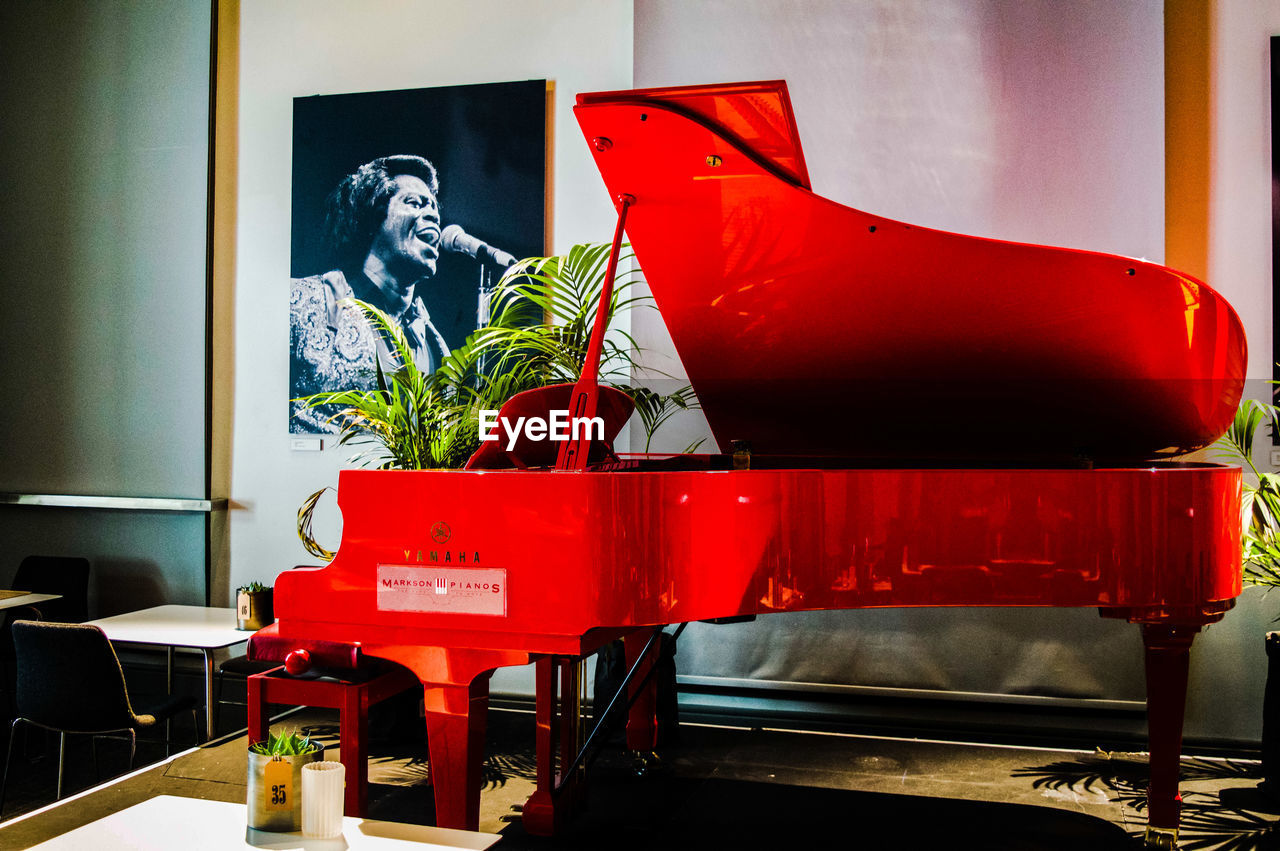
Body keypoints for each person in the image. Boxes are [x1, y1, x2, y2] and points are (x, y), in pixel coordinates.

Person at [290, 155, 452, 433]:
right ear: (372, 218)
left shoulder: (435, 347)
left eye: (434, 206)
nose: (433, 214)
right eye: (414, 202)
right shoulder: (299, 301)